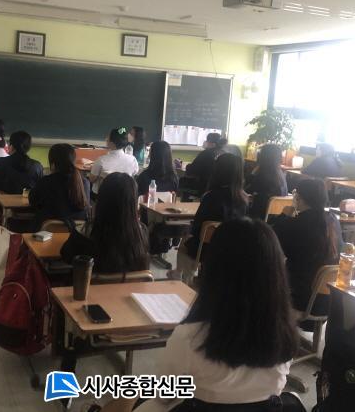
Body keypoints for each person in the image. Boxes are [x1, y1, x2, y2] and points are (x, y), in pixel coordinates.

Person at [131, 219, 299, 411]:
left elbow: (163, 394)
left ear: (214, 268)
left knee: (133, 399)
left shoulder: (191, 337)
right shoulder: (285, 333)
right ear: (276, 274)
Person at [178, 153, 249, 283]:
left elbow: (197, 226)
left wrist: (188, 230)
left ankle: (181, 276)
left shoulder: (210, 196)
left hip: (206, 248)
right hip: (232, 248)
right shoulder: (244, 199)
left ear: (218, 171)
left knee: (184, 240)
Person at [273, 178, 341, 313]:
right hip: (329, 301)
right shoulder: (333, 221)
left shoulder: (295, 224)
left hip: (298, 299)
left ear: (299, 198)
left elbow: (271, 247)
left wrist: (283, 217)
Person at [60, 172, 149, 274]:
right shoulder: (142, 232)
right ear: (133, 203)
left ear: (101, 200)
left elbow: (66, 256)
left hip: (90, 284)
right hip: (131, 284)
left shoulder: (84, 233)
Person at [28, 144, 89, 229]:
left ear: (53, 164)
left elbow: (32, 201)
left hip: (46, 234)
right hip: (76, 233)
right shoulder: (84, 183)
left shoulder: (46, 181)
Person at [89, 128, 139, 195]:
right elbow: (134, 173)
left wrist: (92, 169)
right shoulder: (132, 159)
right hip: (124, 196)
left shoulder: (101, 160)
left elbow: (92, 179)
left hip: (103, 197)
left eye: (108, 138)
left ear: (112, 143)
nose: (106, 139)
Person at [245, 143, 288, 219]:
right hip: (275, 217)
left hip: (259, 217)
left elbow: (246, 190)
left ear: (263, 157)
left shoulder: (264, 175)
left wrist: (253, 173)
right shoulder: (280, 174)